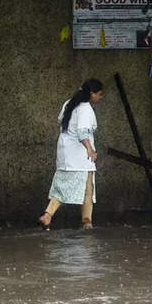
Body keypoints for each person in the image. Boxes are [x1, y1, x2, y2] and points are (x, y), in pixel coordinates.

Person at [39, 79, 105, 230]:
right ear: (91, 93)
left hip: (65, 153)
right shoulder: (85, 108)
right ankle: (87, 222)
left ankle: (47, 215)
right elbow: (82, 132)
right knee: (88, 188)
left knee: (62, 187)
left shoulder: (69, 103)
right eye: (99, 94)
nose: (101, 97)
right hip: (79, 156)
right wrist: (90, 149)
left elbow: (61, 121)